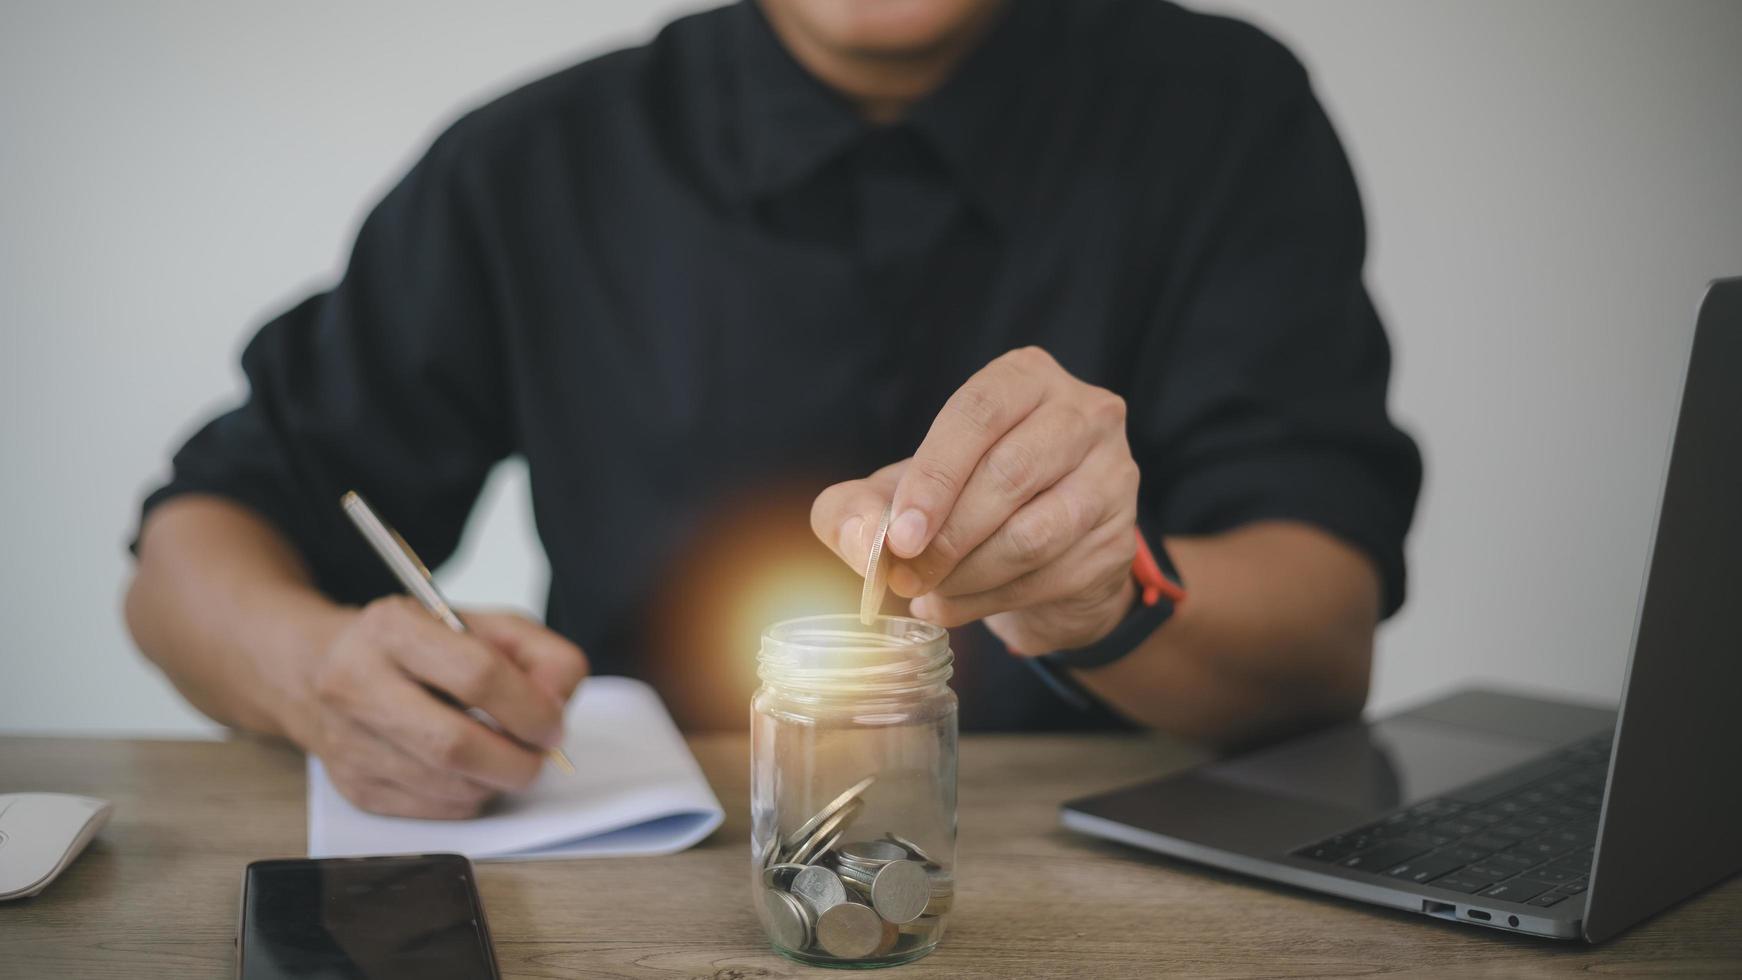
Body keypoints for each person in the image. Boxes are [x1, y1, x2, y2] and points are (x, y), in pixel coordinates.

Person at [125, 0, 1421, 820]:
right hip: (638, 888)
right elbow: (197, 548)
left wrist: (1108, 595)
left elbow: (1320, 640)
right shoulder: (531, 164)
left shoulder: (1221, 116)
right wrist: (317, 677)